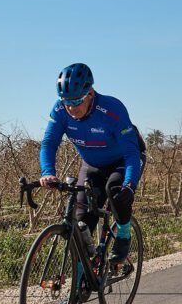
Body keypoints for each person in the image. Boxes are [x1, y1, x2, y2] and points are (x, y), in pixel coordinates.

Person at [39, 62, 144, 268]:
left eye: (77, 100)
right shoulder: (60, 110)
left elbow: (132, 153)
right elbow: (49, 143)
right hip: (92, 164)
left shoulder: (112, 109)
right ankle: (78, 289)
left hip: (122, 160)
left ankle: (123, 235)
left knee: (116, 192)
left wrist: (130, 185)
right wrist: (48, 172)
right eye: (66, 101)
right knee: (81, 224)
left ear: (90, 93)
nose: (71, 108)